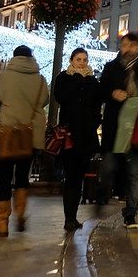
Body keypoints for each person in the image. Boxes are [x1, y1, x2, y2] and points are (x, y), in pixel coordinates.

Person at [0, 45, 48, 237]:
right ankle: (21, 212)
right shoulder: (40, 79)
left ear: (14, 57)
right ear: (31, 57)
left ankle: (2, 223)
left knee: (4, 177)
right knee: (22, 176)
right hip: (29, 135)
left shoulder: (5, 76)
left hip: (7, 133)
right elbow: (44, 101)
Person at [97, 33, 138, 229]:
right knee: (108, 168)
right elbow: (102, 90)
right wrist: (113, 93)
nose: (128, 48)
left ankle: (131, 213)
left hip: (136, 129)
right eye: (124, 45)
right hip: (114, 128)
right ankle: (102, 196)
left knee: (134, 173)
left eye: (131, 45)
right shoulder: (111, 68)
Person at [54, 47, 103, 231]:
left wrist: (95, 121)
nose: (82, 63)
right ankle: (69, 217)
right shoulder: (64, 78)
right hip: (69, 135)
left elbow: (98, 104)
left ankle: (73, 217)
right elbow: (60, 97)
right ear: (72, 60)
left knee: (79, 176)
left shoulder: (93, 81)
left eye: (85, 59)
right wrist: (77, 79)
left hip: (86, 135)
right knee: (71, 176)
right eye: (78, 59)